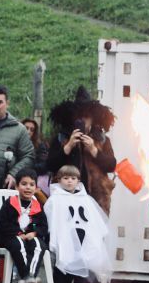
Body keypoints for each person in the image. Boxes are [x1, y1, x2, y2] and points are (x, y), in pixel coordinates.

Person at [45, 165, 112, 283]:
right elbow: (52, 218)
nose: (69, 181)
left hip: (84, 236)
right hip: (64, 237)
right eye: (65, 178)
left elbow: (94, 220)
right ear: (59, 180)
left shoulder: (85, 199)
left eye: (73, 178)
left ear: (78, 180)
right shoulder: (55, 199)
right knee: (63, 263)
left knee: (85, 262)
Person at [46, 87, 118, 216]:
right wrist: (68, 146)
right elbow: (50, 165)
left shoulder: (102, 139)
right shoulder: (62, 138)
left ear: (93, 119)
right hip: (66, 196)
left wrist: (94, 150)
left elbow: (111, 165)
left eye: (86, 117)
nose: (82, 121)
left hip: (97, 198)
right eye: (78, 117)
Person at [0, 172, 49, 283]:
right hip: (11, 237)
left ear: (36, 188)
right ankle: (26, 275)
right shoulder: (10, 203)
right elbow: (1, 223)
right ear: (16, 187)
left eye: (31, 184)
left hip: (30, 236)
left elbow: (44, 226)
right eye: (24, 184)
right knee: (18, 244)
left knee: (39, 245)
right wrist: (18, 233)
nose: (28, 187)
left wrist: (34, 233)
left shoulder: (37, 206)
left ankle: (31, 276)